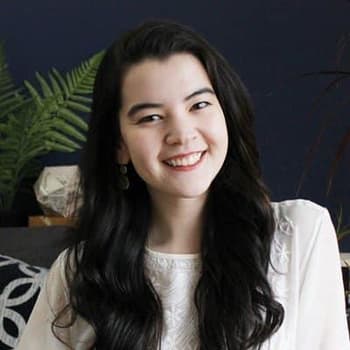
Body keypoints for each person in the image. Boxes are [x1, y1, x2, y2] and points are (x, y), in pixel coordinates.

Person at [16, 19, 349, 350]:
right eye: (150, 117)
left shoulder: (300, 234)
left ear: (226, 113)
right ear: (119, 145)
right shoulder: (80, 273)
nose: (181, 134)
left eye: (199, 105)